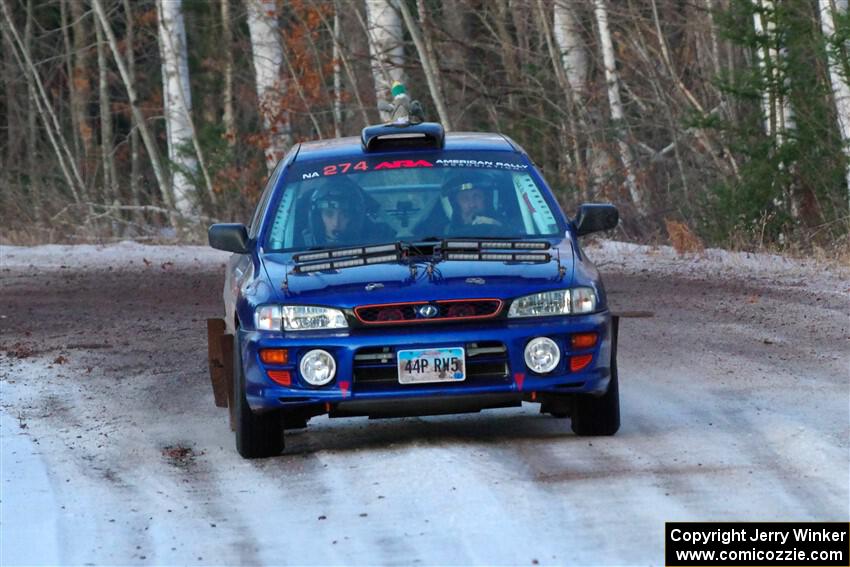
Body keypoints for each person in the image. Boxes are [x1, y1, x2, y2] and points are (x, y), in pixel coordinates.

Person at [303, 181, 393, 247]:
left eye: (345, 215)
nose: (336, 223)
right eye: (329, 214)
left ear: (355, 218)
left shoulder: (378, 241)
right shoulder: (298, 244)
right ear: (318, 217)